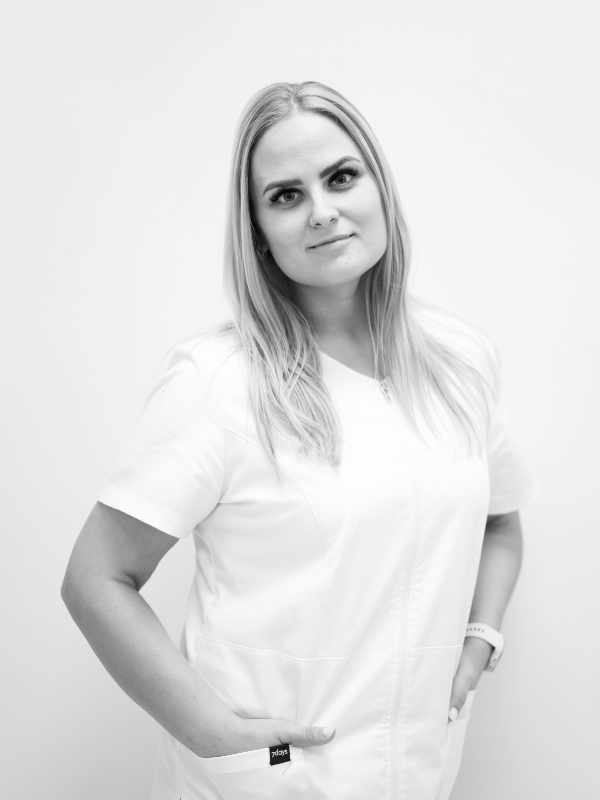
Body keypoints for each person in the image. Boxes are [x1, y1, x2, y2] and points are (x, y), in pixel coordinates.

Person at [61, 81, 535, 800]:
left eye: (341, 177)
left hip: (420, 773)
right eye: (286, 196)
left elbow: (500, 520)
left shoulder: (459, 361)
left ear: (379, 188)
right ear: (258, 230)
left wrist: (482, 637)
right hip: (272, 781)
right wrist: (205, 728)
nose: (322, 211)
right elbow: (96, 578)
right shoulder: (217, 382)